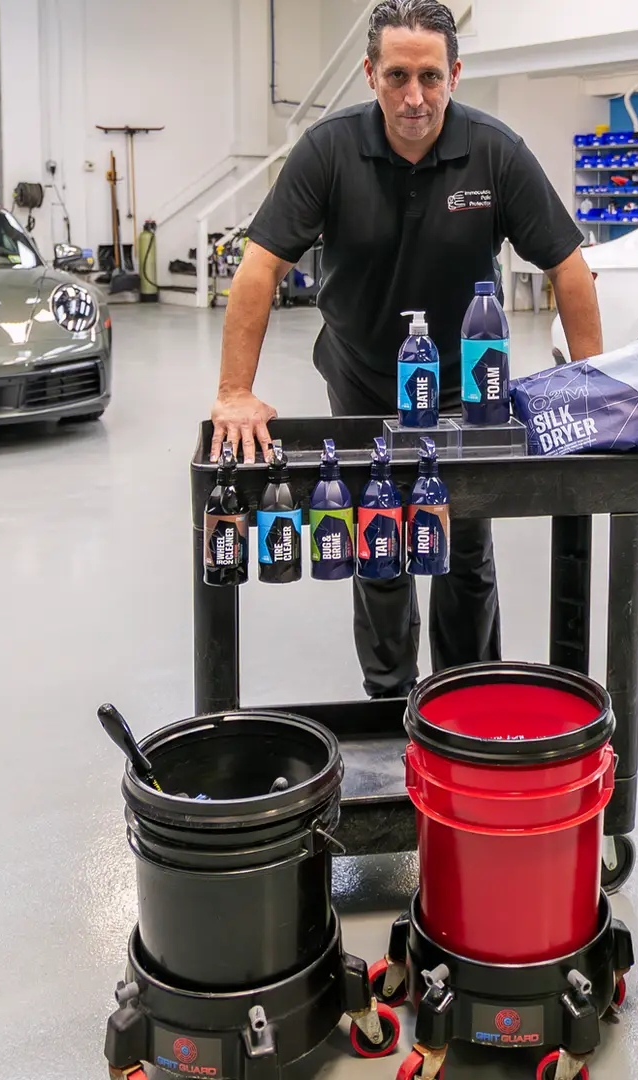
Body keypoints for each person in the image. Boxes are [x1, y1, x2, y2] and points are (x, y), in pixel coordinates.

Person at [207, 0, 604, 699]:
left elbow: (567, 265)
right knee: (379, 541)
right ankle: (391, 697)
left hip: (464, 386)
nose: (414, 97)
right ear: (370, 73)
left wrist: (593, 380)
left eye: (429, 76)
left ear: (454, 73)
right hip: (362, 378)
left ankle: (466, 694)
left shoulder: (494, 151)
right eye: (396, 76)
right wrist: (235, 392)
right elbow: (259, 267)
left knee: (465, 549)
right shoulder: (328, 151)